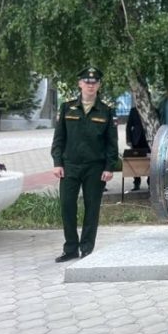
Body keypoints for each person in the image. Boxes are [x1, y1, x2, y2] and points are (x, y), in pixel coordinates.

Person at [51, 67, 120, 262]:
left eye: (94, 82)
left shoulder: (106, 110)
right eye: (87, 82)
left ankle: (87, 247)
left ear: (99, 85)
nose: (90, 85)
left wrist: (109, 167)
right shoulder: (67, 107)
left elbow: (111, 143)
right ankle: (70, 248)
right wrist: (57, 162)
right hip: (70, 165)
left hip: (95, 168)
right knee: (67, 206)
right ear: (80, 84)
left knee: (92, 208)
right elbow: (59, 138)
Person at [124, 105, 151, 190]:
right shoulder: (133, 110)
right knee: (135, 162)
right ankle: (136, 183)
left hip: (149, 140)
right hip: (136, 139)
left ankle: (150, 183)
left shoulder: (151, 109)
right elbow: (128, 126)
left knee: (150, 162)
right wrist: (129, 140)